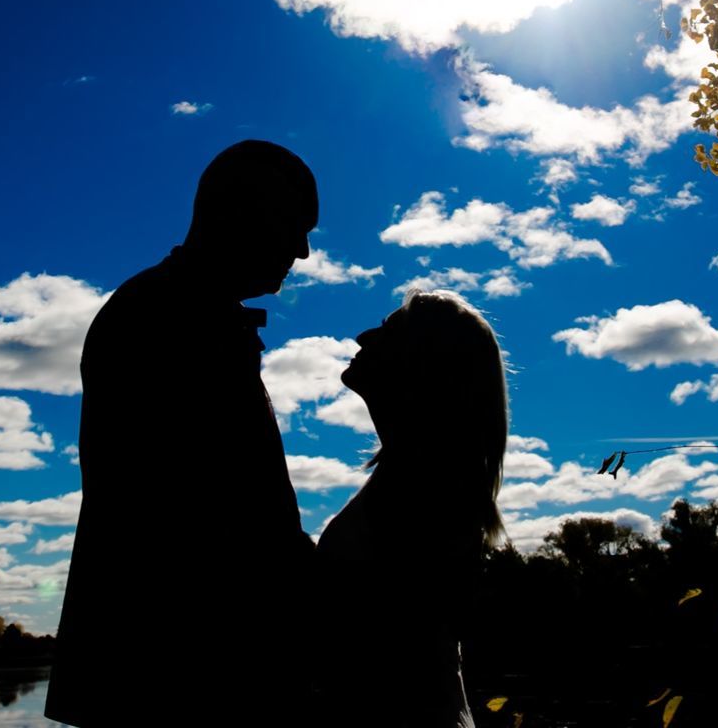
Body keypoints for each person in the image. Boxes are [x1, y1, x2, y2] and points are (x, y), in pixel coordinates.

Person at [46, 141, 320, 727]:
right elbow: (214, 515)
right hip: (176, 679)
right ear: (244, 209)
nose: (303, 249)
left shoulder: (185, 309)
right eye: (297, 225)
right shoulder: (168, 316)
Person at [316, 291, 510, 728]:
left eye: (388, 331)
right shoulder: (419, 478)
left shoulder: (425, 488)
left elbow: (380, 646)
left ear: (424, 364)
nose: (364, 335)